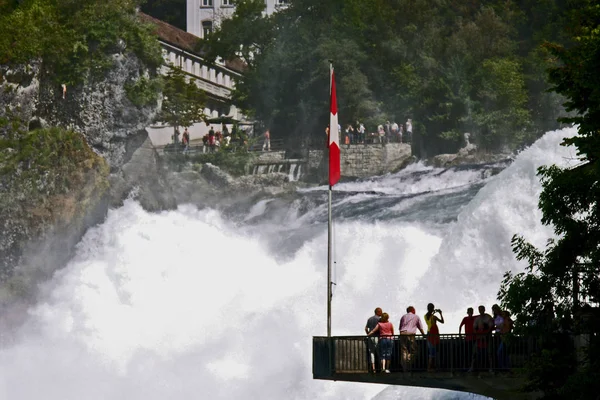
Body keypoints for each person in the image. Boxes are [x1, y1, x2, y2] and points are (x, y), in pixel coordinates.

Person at [398, 306, 425, 372]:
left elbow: (400, 327)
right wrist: (424, 335)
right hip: (410, 334)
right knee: (414, 350)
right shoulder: (416, 316)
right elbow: (420, 327)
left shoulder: (403, 316)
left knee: (404, 351)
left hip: (402, 333)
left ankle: (405, 367)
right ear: (412, 310)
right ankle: (408, 359)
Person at [469, 305, 494, 373]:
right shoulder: (477, 318)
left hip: (487, 338)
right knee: (474, 353)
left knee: (489, 353)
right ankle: (472, 367)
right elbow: (474, 328)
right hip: (479, 338)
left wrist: (485, 334)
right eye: (479, 309)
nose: (481, 310)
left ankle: (491, 368)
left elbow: (491, 326)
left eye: (482, 309)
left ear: (484, 309)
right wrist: (477, 334)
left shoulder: (488, 317)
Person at [424, 303, 444, 372]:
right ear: (432, 308)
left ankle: (432, 367)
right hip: (434, 334)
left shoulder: (425, 316)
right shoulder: (434, 317)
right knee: (433, 352)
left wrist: (434, 312)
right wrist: (440, 313)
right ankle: (430, 368)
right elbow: (442, 321)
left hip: (429, 334)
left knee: (431, 352)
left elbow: (429, 318)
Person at [365, 307, 382, 373]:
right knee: (379, 352)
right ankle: (381, 368)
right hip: (377, 337)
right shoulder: (379, 319)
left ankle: (373, 368)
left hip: (370, 337)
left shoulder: (369, 319)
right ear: (378, 312)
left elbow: (366, 328)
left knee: (372, 353)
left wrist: (368, 334)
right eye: (380, 311)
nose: (381, 313)